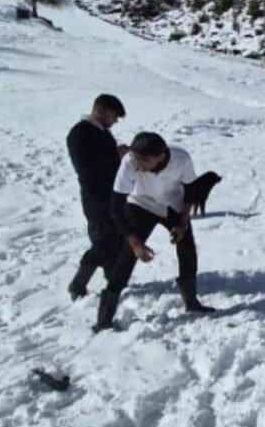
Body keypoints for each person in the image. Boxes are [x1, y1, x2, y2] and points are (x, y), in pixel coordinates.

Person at [92, 132, 215, 332]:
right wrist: (135, 243)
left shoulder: (181, 159)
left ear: (162, 155)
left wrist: (183, 223)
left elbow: (192, 190)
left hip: (172, 206)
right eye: (136, 158)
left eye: (145, 160)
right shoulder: (129, 162)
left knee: (187, 249)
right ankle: (104, 320)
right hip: (141, 204)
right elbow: (115, 206)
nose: (138, 165)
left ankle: (191, 302)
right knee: (126, 257)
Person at [66, 94, 128, 301]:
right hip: (96, 199)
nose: (115, 121)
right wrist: (116, 156)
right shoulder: (80, 134)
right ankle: (77, 285)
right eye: (113, 116)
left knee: (117, 240)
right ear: (99, 110)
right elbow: (86, 170)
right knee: (104, 243)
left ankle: (114, 281)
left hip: (111, 195)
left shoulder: (101, 132)